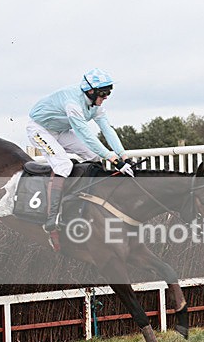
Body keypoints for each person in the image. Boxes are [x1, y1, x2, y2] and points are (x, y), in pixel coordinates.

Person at [27, 68, 134, 231]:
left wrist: (123, 155)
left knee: (94, 157)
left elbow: (107, 130)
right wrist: (113, 160)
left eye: (109, 93)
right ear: (90, 91)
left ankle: (89, 201)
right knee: (63, 165)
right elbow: (86, 136)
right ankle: (51, 217)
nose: (106, 97)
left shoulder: (95, 105)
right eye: (104, 93)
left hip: (61, 130)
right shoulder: (73, 104)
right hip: (39, 130)